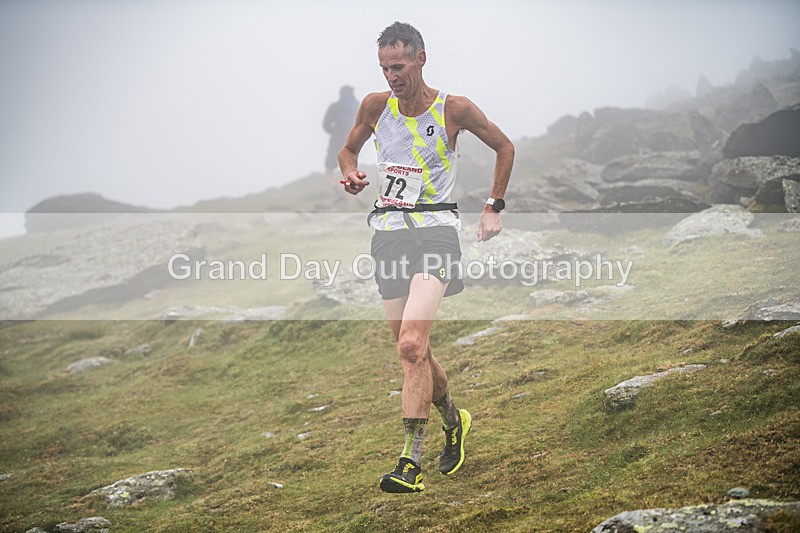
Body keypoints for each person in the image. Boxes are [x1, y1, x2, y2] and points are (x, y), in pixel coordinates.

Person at [338, 21, 514, 493]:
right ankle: (455, 421)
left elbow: (504, 146)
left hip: (436, 233)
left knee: (412, 345)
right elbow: (348, 149)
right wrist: (352, 173)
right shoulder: (376, 106)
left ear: (420, 58)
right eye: (384, 67)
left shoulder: (453, 108)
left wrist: (493, 205)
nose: (392, 76)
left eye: (398, 66)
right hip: (389, 234)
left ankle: (409, 462)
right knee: (412, 349)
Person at [323, 85, 359, 199]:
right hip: (352, 142)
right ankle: (357, 197)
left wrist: (334, 131)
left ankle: (338, 191)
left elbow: (325, 125)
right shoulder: (358, 107)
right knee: (350, 171)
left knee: (328, 171)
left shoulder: (335, 107)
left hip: (336, 141)